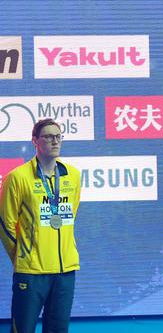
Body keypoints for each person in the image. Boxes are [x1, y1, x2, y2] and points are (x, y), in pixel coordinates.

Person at [0, 119, 82, 333]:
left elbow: (70, 215)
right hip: (32, 272)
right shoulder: (17, 178)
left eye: (58, 136)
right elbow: (6, 224)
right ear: (35, 141)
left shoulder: (72, 176)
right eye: (48, 136)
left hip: (65, 271)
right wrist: (22, 256)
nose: (55, 141)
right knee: (23, 330)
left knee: (58, 329)